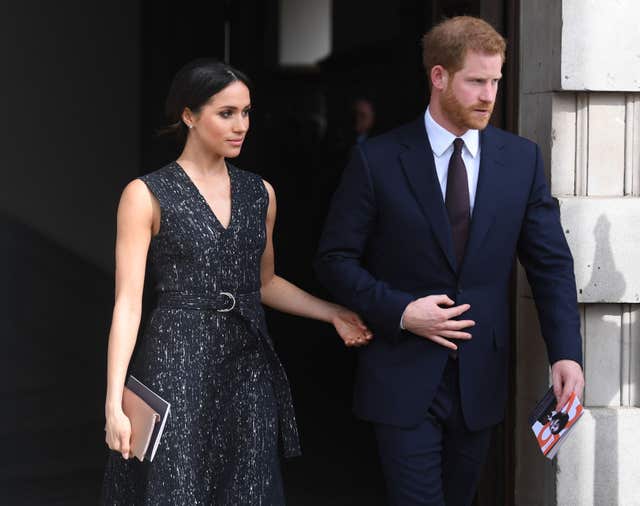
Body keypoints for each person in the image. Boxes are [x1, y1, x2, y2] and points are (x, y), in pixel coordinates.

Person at [315, 16, 585, 506]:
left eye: (496, 81)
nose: (489, 94)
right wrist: (400, 310)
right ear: (439, 77)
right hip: (400, 376)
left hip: (480, 380)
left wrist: (566, 351)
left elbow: (550, 265)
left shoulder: (521, 160)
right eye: (476, 81)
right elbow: (334, 260)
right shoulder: (377, 160)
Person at [101, 58, 372, 505]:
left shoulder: (259, 193)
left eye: (246, 112)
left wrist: (333, 312)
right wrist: (114, 402)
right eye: (226, 113)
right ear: (188, 115)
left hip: (248, 366)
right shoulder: (145, 194)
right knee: (177, 491)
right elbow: (128, 303)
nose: (241, 125)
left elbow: (263, 282)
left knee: (250, 490)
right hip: (176, 366)